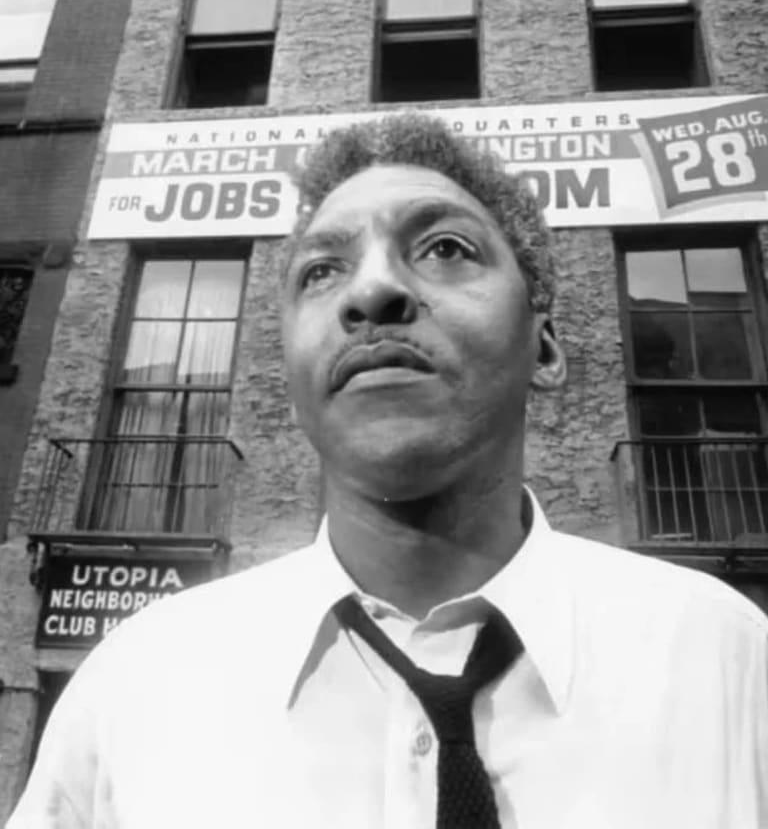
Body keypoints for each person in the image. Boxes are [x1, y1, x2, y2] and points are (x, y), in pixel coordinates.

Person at [8, 113, 768, 829]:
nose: (372, 292)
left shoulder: (730, 662)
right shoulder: (132, 687)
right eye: (321, 271)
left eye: (445, 248)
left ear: (544, 349)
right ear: (289, 373)